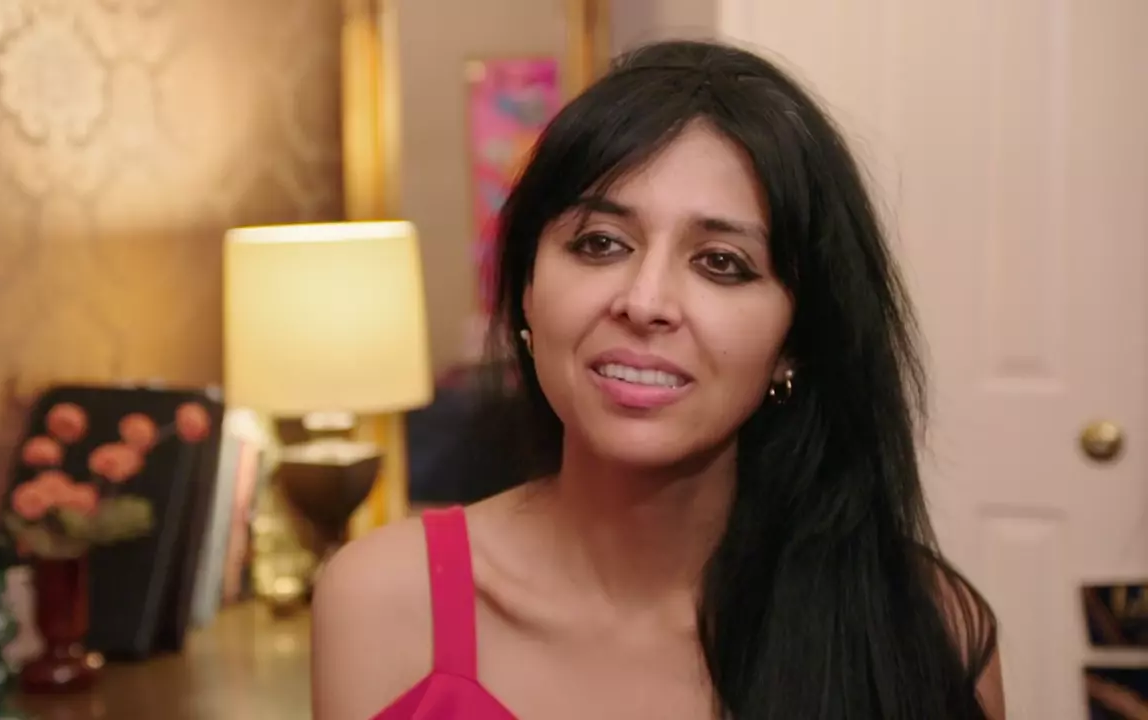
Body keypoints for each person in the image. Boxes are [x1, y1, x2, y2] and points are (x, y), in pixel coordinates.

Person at [311, 39, 1006, 720]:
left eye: (721, 263)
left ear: (795, 342)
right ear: (526, 290)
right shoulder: (382, 604)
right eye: (600, 244)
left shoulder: (924, 632)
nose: (644, 302)